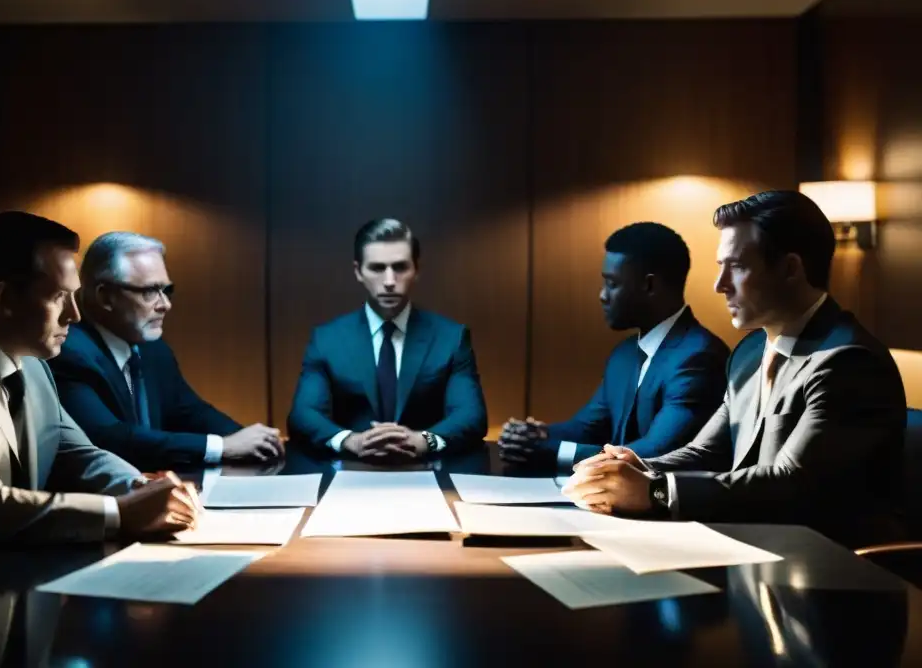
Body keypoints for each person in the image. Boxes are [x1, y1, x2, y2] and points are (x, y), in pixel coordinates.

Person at [562, 191, 907, 548]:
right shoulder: (749, 352)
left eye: (737, 266)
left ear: (790, 269)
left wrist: (656, 491)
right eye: (720, 266)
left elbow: (791, 482)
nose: (719, 284)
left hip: (837, 571)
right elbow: (708, 451)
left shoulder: (848, 360)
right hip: (757, 550)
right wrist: (639, 465)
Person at [0, 212, 200, 550]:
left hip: (13, 573)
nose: (75, 313)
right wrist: (119, 512)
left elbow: (78, 454)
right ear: (6, 299)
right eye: (59, 297)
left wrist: (141, 489)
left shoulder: (33, 365)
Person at [499, 222, 729, 470]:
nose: (602, 295)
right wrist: (534, 435)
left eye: (612, 283)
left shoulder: (699, 358)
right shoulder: (625, 354)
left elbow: (655, 452)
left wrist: (551, 452)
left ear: (649, 285)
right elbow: (586, 428)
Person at [49, 232, 282, 471]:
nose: (165, 305)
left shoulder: (152, 348)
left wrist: (250, 438)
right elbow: (111, 438)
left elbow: (190, 411)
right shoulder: (69, 353)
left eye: (166, 290)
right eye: (150, 292)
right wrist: (221, 446)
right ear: (105, 296)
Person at [287, 218, 488, 460]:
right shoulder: (327, 338)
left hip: (429, 474)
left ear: (416, 270)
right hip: (350, 474)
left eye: (400, 267)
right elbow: (303, 414)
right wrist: (351, 440)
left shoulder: (451, 337)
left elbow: (471, 414)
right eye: (377, 268)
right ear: (358, 272)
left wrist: (424, 440)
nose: (390, 281)